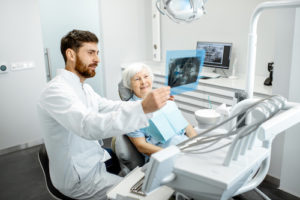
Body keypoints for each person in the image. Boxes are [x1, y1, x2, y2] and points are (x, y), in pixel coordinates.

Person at [37, 30, 170, 200]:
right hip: (80, 180)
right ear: (70, 54)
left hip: (95, 162)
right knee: (146, 196)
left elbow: (110, 106)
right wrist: (143, 108)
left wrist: (144, 104)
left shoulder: (84, 88)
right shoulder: (55, 91)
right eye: (90, 53)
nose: (97, 59)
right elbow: (88, 126)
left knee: (149, 180)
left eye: (97, 53)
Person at [121, 63, 197, 159]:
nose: (143, 82)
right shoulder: (131, 110)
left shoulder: (163, 98)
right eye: (137, 79)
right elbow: (141, 146)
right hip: (164, 155)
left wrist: (196, 143)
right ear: (129, 84)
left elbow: (185, 124)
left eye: (146, 76)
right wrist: (174, 154)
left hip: (185, 145)